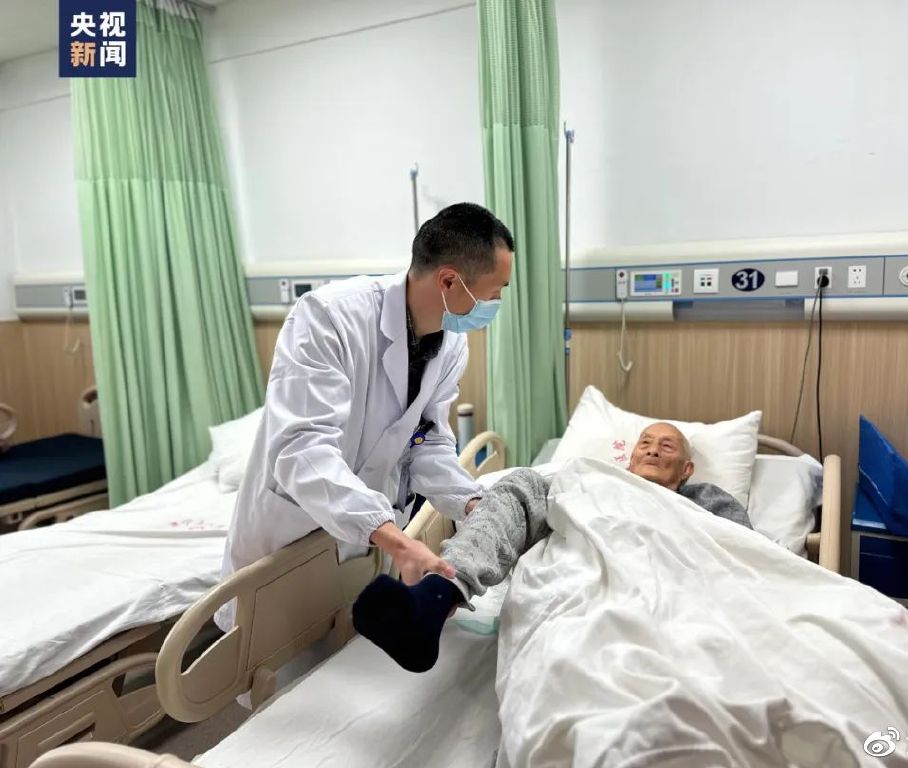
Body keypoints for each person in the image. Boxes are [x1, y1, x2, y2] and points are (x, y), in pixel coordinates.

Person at [216, 203, 514, 629]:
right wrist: (394, 538)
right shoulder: (328, 318)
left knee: (347, 651)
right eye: (495, 291)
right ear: (449, 280)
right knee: (277, 662)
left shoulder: (450, 345)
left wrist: (471, 502)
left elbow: (424, 440)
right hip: (291, 535)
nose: (496, 303)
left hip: (364, 547)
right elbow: (302, 450)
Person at [353, 421, 751, 671]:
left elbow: (746, 555)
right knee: (520, 486)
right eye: (645, 442)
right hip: (584, 581)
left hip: (672, 589)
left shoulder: (708, 500)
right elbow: (518, 512)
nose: (652, 449)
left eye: (667, 447)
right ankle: (437, 596)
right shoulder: (590, 479)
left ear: (687, 469)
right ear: (629, 458)